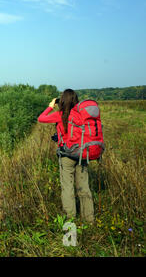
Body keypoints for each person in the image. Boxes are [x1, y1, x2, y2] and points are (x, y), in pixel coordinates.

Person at [37, 89, 94, 223]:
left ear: (62, 101)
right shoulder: (81, 115)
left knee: (67, 187)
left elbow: (41, 118)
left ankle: (70, 219)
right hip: (82, 153)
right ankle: (89, 220)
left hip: (67, 155)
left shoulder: (60, 114)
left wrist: (50, 106)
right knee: (84, 187)